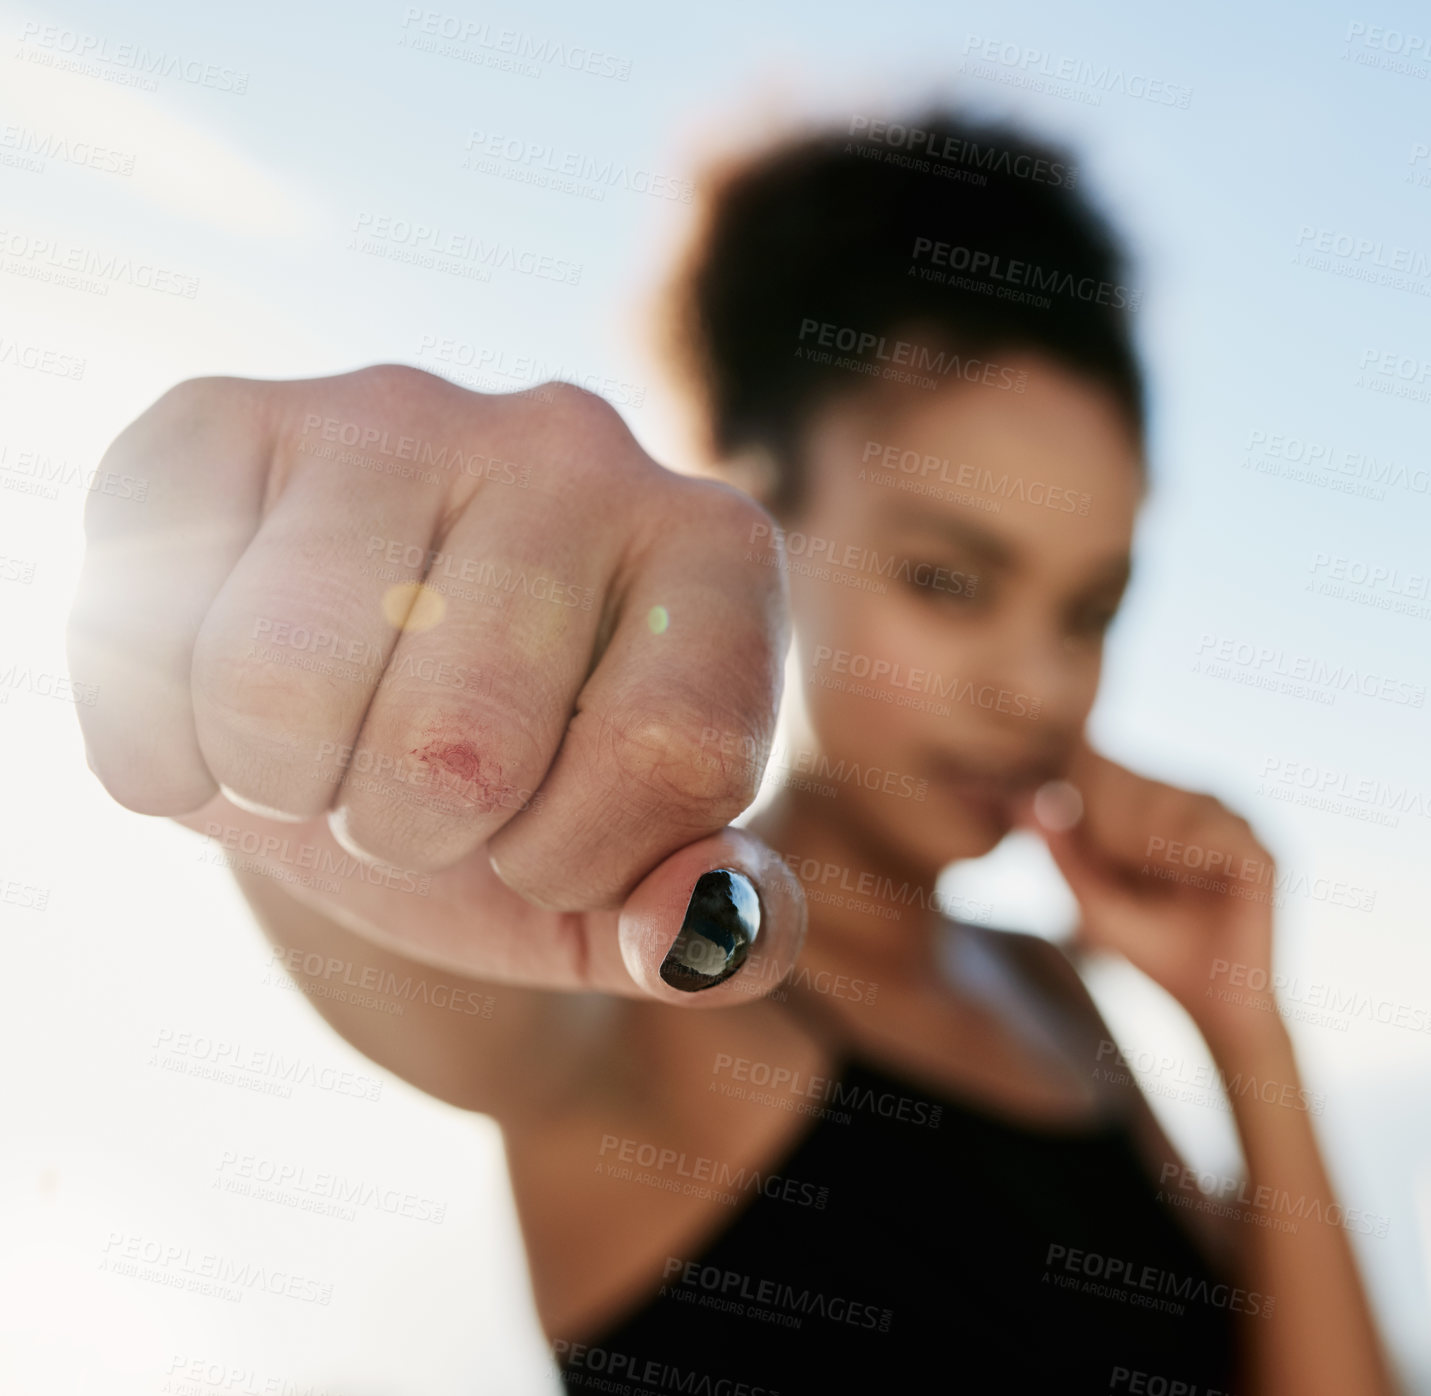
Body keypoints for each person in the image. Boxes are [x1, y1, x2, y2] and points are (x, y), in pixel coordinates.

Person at [69, 109, 1396, 1393]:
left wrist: (1243, 1024)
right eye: (947, 579)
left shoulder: (1050, 993)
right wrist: (272, 589)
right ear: (748, 514)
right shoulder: (641, 967)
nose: (1036, 686)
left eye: (1089, 610)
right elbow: (391, 887)